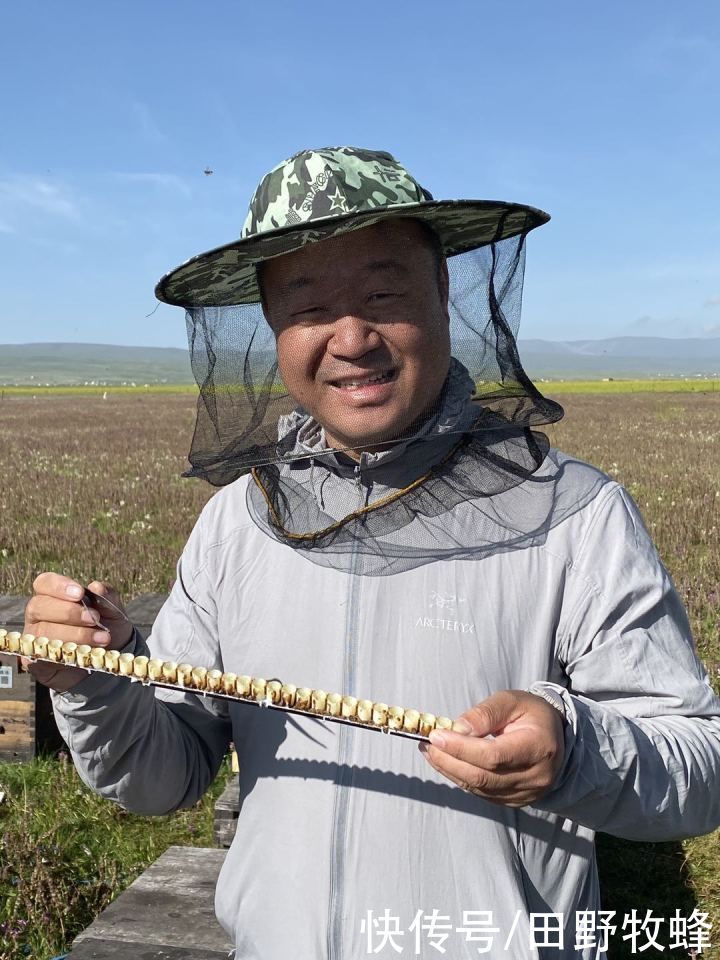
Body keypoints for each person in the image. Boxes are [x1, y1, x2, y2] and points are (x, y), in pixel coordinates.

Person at [26, 147, 720, 960]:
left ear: (444, 295)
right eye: (308, 306)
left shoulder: (577, 516)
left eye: (385, 294)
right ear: (273, 326)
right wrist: (96, 682)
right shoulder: (236, 525)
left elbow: (698, 773)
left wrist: (573, 749)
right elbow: (162, 778)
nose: (351, 339)